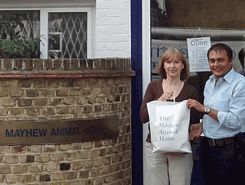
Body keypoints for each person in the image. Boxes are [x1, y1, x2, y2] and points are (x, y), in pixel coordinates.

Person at [140, 48, 200, 185]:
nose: (172, 66)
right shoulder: (154, 87)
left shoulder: (190, 90)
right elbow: (143, 117)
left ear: (183, 65)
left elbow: (195, 122)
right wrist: (160, 100)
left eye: (176, 62)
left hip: (180, 148)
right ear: (163, 65)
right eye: (168, 62)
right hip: (155, 147)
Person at [187, 43, 245, 185]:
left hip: (231, 150)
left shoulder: (240, 83)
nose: (216, 64)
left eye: (220, 60)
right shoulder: (209, 82)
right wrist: (202, 125)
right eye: (212, 61)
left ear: (230, 61)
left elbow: (235, 121)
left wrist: (204, 109)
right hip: (208, 148)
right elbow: (215, 115)